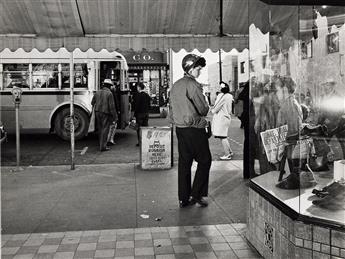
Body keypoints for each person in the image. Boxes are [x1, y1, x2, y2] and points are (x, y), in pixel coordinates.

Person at [169, 54, 211, 208]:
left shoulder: (176, 85)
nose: (199, 72)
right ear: (190, 68)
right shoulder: (193, 85)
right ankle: (197, 194)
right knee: (205, 160)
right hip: (195, 129)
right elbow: (203, 109)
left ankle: (183, 198)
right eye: (198, 69)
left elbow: (171, 110)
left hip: (180, 129)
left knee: (185, 163)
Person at [91, 79, 118, 151]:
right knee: (105, 130)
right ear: (109, 86)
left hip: (97, 112)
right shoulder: (109, 93)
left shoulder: (97, 92)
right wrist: (115, 117)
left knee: (100, 129)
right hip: (105, 113)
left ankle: (101, 144)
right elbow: (112, 107)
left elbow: (92, 102)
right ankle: (103, 147)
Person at [238, 81, 257, 179]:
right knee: (251, 147)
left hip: (246, 121)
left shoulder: (243, 94)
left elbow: (239, 111)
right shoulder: (250, 96)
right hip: (250, 122)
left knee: (248, 146)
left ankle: (248, 172)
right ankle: (250, 171)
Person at [211, 82, 234, 160]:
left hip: (221, 118)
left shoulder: (221, 96)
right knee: (223, 136)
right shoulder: (230, 96)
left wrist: (212, 110)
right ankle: (230, 152)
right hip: (227, 117)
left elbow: (216, 107)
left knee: (222, 137)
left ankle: (227, 154)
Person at [133, 82, 151, 146]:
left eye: (137, 87)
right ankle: (145, 141)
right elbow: (149, 105)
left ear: (139, 87)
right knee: (145, 128)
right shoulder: (147, 95)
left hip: (139, 114)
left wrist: (134, 114)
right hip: (146, 113)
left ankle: (140, 142)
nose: (137, 88)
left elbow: (137, 106)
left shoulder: (139, 95)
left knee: (138, 129)